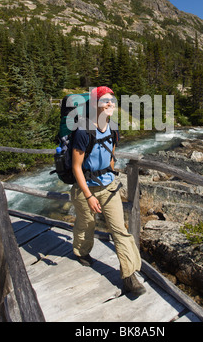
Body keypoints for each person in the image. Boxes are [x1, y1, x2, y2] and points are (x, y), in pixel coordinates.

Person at [71, 86, 146, 296]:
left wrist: (110, 176)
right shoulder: (83, 131)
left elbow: (112, 155)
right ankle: (81, 252)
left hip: (108, 186)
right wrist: (88, 195)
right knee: (87, 223)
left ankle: (129, 276)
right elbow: (76, 167)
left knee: (120, 229)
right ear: (95, 104)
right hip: (85, 187)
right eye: (105, 100)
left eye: (112, 100)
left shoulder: (112, 126)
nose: (110, 103)